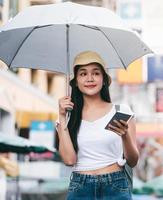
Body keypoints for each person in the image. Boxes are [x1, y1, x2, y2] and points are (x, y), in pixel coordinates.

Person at [56, 51, 139, 199]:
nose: (90, 78)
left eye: (96, 73)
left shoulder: (120, 111)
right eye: (83, 74)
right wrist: (62, 117)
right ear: (75, 81)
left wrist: (125, 135)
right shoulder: (67, 117)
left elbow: (132, 161)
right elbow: (69, 160)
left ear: (104, 79)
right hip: (80, 188)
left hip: (116, 185)